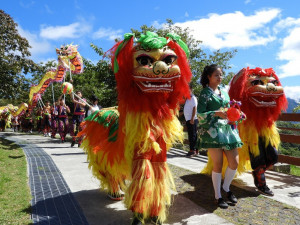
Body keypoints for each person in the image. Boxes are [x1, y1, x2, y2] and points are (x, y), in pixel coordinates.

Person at [197, 64, 243, 209]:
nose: (220, 77)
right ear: (209, 77)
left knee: (234, 162)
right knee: (217, 164)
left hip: (228, 130)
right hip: (212, 132)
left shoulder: (224, 91)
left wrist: (238, 113)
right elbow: (200, 114)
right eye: (216, 75)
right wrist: (215, 113)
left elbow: (229, 109)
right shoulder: (204, 93)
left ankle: (226, 188)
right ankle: (218, 195)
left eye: (221, 74)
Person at [184, 84, 199, 157]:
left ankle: (192, 150)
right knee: (191, 134)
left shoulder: (193, 97)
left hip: (192, 119)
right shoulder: (188, 98)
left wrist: (192, 118)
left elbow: (194, 108)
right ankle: (195, 150)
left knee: (192, 135)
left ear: (191, 89)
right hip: (189, 119)